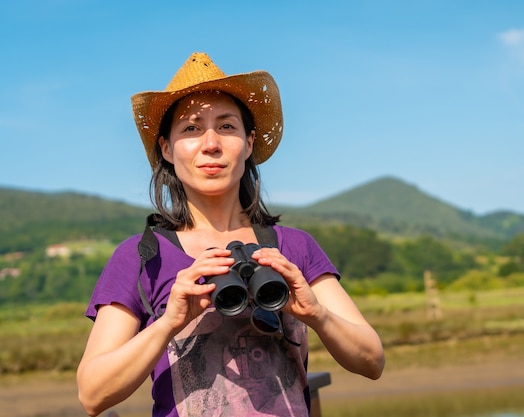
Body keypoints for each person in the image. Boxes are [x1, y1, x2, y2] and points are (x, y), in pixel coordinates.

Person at [76, 52, 385, 417]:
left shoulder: (294, 247)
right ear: (166, 149)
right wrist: (169, 321)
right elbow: (93, 395)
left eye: (226, 127)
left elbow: (372, 360)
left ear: (249, 142)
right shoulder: (142, 258)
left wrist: (317, 315)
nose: (211, 144)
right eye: (191, 129)